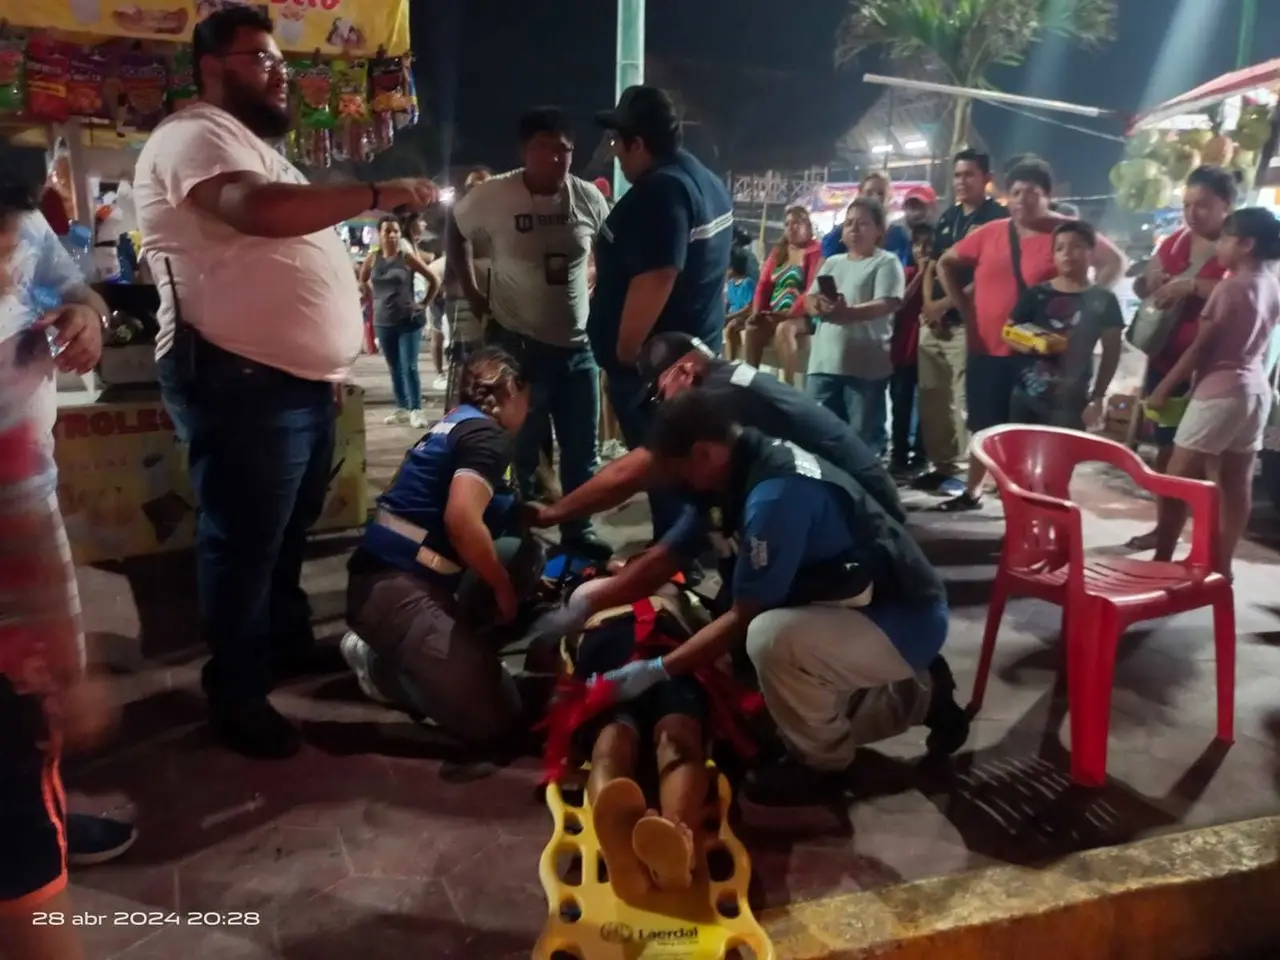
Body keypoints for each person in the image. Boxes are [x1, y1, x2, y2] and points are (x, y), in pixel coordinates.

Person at [132, 5, 437, 758]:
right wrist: (376, 194)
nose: (279, 76)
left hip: (288, 383)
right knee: (244, 541)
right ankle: (235, 690)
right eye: (262, 61)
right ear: (213, 68)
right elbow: (254, 211)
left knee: (283, 533)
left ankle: (282, 639)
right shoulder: (194, 135)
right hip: (238, 377)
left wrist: (323, 366)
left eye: (280, 63)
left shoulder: (250, 144)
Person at [533, 391, 969, 805]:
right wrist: (585, 607)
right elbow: (665, 558)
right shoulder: (729, 475)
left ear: (702, 453)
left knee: (768, 641)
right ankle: (893, 695)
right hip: (845, 601)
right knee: (754, 691)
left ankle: (829, 762)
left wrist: (656, 670)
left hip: (901, 616)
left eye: (678, 471)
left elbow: (745, 615)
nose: (677, 485)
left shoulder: (774, 495)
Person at [0, 178, 128, 960]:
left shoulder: (22, 231)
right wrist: (60, 675)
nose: (15, 248)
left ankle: (44, 808)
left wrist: (86, 313)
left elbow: (75, 288)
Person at [343, 348, 545, 745]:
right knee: (496, 720)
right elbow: (461, 521)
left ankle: (449, 656)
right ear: (509, 390)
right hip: (394, 588)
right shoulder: (489, 436)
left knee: (525, 552)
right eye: (526, 397)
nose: (529, 408)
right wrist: (502, 588)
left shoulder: (457, 424)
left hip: (395, 577)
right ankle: (381, 667)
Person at [527, 330, 905, 535]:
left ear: (686, 372)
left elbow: (635, 471)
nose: (662, 406)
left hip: (867, 516)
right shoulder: (728, 378)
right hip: (858, 493)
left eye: (660, 393)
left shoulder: (719, 395)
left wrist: (552, 514)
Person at [447, 108, 611, 553]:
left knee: (582, 451)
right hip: (518, 345)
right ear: (524, 151)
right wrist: (474, 292)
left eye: (565, 150)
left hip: (579, 348)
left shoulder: (588, 199)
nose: (557, 159)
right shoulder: (494, 195)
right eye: (546, 148)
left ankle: (579, 532)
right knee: (520, 447)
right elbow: (455, 229)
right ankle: (518, 532)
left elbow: (609, 250)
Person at [934, 159, 1124, 512]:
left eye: (1032, 193)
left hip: (1039, 359)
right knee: (983, 423)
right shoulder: (991, 231)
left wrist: (1088, 305)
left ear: (1048, 196)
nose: (1022, 200)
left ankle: (1028, 502)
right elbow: (946, 262)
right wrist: (964, 309)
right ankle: (974, 491)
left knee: (1030, 433)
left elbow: (1115, 262)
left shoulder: (1066, 233)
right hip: (986, 345)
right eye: (1016, 193)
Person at [589, 85, 735, 538]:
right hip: (691, 356)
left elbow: (659, 274)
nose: (614, 152)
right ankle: (691, 545)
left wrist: (628, 354)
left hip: (656, 371)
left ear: (638, 143)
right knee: (690, 463)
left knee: (666, 469)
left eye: (618, 142)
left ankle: (676, 557)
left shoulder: (662, 192)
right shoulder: (706, 181)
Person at [1148, 208, 1280, 576]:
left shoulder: (1231, 287)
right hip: (1254, 393)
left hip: (1219, 392)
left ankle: (1161, 559)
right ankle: (1221, 564)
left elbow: (1200, 348)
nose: (1218, 246)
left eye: (1225, 238)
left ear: (1247, 244)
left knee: (1175, 478)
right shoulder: (1272, 282)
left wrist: (1163, 388)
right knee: (1235, 483)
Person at [568, 577, 710, 901]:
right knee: (677, 740)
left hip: (624, 654)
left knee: (613, 743)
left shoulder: (592, 594)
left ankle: (634, 849)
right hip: (662, 651)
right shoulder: (602, 586)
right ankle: (678, 836)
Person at [1124, 165, 1235, 552]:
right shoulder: (1173, 243)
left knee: (1203, 462)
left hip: (1209, 370)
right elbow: (1146, 286)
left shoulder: (1239, 246)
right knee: (1166, 451)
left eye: (1202, 205)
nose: (1192, 213)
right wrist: (1148, 283)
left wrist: (1190, 286)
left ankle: (1199, 544)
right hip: (1164, 362)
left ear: (1227, 205)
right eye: (1187, 204)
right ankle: (1165, 528)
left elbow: (1240, 291)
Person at [914, 150, 1005, 497]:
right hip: (934, 323)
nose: (961, 181)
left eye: (969, 174)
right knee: (933, 399)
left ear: (986, 178)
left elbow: (987, 274)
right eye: (957, 175)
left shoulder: (997, 219)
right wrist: (928, 305)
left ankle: (971, 476)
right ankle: (943, 466)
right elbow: (933, 264)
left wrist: (945, 304)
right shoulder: (949, 217)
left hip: (969, 323)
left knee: (965, 401)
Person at [804, 198, 905, 455]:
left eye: (862, 224)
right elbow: (809, 298)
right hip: (824, 364)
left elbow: (886, 303)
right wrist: (818, 305)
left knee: (861, 442)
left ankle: (864, 493)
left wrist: (848, 313)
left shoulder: (886, 262)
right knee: (818, 435)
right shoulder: (833, 262)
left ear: (879, 230)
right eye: (849, 224)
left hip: (864, 369)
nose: (854, 230)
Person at [1005, 220, 1124, 429]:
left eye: (1077, 246)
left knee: (1063, 458)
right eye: (1060, 248)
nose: (1067, 253)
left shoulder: (1104, 299)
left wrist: (1098, 397)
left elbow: (1111, 352)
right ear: (1054, 256)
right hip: (1025, 396)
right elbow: (1008, 331)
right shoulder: (1036, 294)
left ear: (1091, 252)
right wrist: (1033, 342)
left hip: (1071, 403)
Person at [360, 216, 441, 428]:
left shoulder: (406, 258)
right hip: (383, 321)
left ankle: (416, 409)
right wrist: (370, 297)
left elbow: (435, 280)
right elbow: (362, 279)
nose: (393, 235)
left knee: (410, 366)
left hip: (408, 320)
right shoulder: (372, 258)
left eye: (396, 231)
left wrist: (423, 303)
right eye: (388, 231)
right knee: (394, 367)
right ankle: (402, 408)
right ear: (380, 234)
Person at [744, 205, 822, 383]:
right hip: (775, 312)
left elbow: (811, 290)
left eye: (797, 222)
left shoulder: (816, 251)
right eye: (787, 224)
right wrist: (757, 312)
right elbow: (763, 286)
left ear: (808, 226)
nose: (791, 227)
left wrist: (788, 314)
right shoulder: (778, 252)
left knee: (784, 329)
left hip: (804, 315)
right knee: (753, 330)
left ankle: (788, 386)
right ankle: (749, 385)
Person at [889, 222, 933, 476]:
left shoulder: (940, 276)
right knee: (901, 405)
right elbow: (899, 301)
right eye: (918, 245)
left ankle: (921, 456)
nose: (923, 250)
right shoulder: (904, 272)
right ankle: (898, 454)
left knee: (926, 406)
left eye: (928, 245)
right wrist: (920, 274)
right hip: (903, 350)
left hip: (927, 352)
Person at [819, 172, 915, 266]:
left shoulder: (900, 236)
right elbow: (823, 272)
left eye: (881, 193)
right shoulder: (841, 233)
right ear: (860, 195)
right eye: (869, 193)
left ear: (889, 198)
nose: (875, 198)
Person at [722, 248, 755, 362]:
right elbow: (729, 302)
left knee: (732, 326)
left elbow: (749, 308)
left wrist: (730, 316)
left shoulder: (748, 283)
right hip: (732, 315)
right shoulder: (731, 283)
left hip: (744, 316)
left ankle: (730, 360)